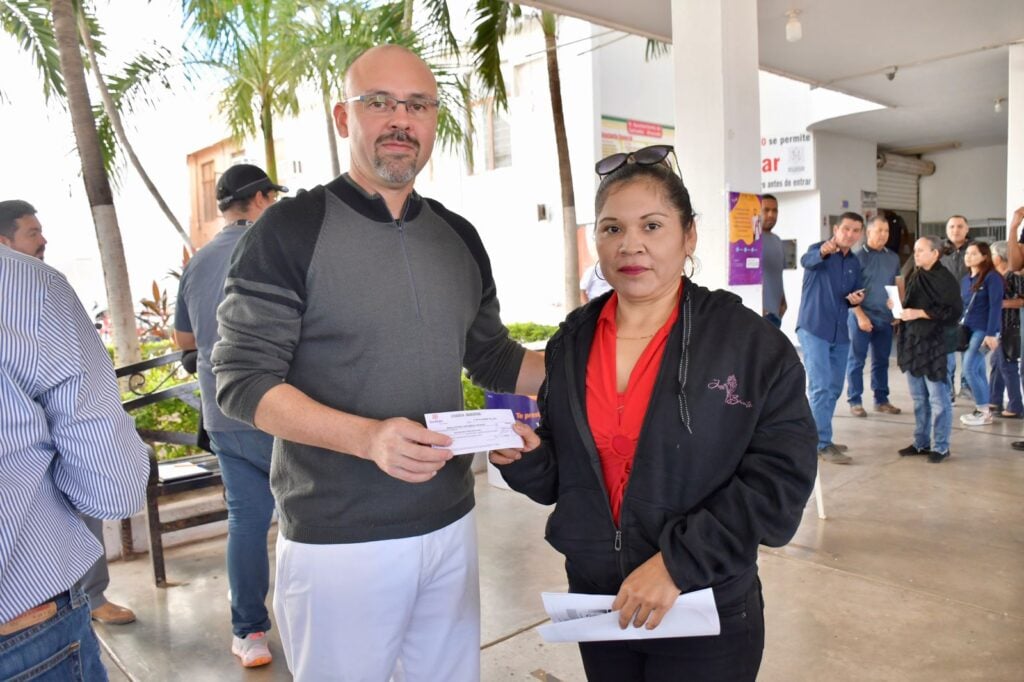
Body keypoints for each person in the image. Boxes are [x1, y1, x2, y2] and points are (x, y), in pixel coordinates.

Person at [211, 44, 544, 681]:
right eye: (379, 102)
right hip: (338, 537)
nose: (400, 119)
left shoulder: (458, 236)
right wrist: (368, 439)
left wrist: (611, 362)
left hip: (450, 522)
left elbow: (494, 358)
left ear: (434, 121)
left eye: (417, 104)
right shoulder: (287, 230)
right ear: (344, 117)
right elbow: (242, 382)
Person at [490, 147, 817, 681]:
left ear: (689, 237)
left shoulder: (748, 345)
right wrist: (526, 457)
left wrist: (676, 564)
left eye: (652, 225)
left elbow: (781, 483)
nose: (630, 244)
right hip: (602, 603)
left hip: (699, 603)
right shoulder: (573, 340)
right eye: (612, 229)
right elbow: (565, 477)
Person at [0, 244, 149, 680]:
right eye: (33, 234)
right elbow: (112, 488)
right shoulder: (27, 287)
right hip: (21, 625)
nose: (42, 243)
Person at [173, 164, 287, 668]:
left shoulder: (197, 262)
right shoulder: (275, 250)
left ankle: (250, 634)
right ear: (261, 199)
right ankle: (311, 619)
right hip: (282, 411)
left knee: (246, 521)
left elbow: (184, 343)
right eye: (273, 197)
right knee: (306, 521)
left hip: (223, 413)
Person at [796, 213, 866, 464]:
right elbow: (807, 260)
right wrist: (824, 251)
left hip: (840, 331)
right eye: (846, 229)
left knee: (834, 387)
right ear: (836, 229)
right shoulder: (819, 250)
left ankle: (819, 435)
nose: (850, 234)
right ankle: (820, 443)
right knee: (821, 386)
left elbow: (851, 294)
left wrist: (856, 299)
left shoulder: (854, 262)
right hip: (814, 328)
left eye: (856, 230)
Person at [893, 236, 963, 463]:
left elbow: (953, 312)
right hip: (914, 342)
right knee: (918, 399)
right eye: (915, 250)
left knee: (938, 399)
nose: (916, 254)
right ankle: (921, 442)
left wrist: (920, 313)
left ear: (935, 253)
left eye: (921, 250)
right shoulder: (916, 275)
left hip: (936, 345)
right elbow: (912, 304)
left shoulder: (946, 279)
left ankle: (941, 446)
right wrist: (898, 308)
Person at [847, 215, 902, 417]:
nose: (883, 235)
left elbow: (895, 286)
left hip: (884, 317)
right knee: (857, 360)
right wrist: (860, 316)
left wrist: (897, 310)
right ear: (868, 232)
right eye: (879, 230)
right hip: (861, 316)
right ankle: (855, 400)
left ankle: (881, 399)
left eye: (886, 231)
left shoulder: (893, 258)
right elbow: (848, 291)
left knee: (882, 361)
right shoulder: (856, 257)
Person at [957, 242, 1004, 426]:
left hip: (985, 331)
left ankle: (983, 411)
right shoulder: (965, 279)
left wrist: (992, 333)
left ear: (985, 256)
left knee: (969, 368)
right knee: (977, 369)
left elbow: (995, 307)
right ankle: (984, 410)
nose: (968, 256)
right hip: (968, 330)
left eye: (974, 253)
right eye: (967, 253)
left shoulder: (993, 278)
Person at [986, 241, 1023, 419]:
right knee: (996, 362)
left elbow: (1022, 300)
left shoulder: (1013, 276)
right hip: (998, 326)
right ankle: (995, 401)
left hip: (1010, 326)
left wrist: (998, 304)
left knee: (1007, 365)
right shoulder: (995, 277)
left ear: (998, 258)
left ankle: (1015, 406)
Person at [941, 215, 973, 401]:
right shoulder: (941, 251)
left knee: (969, 349)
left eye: (960, 226)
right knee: (949, 351)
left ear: (967, 229)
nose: (956, 230)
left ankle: (966, 386)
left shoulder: (975, 249)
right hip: (946, 307)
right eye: (952, 226)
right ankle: (948, 388)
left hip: (970, 306)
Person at [760, 193, 787, 327]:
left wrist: (783, 301)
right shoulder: (752, 241)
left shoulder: (777, 241)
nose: (771, 214)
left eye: (775, 210)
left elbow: (777, 274)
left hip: (775, 314)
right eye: (766, 210)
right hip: (760, 314)